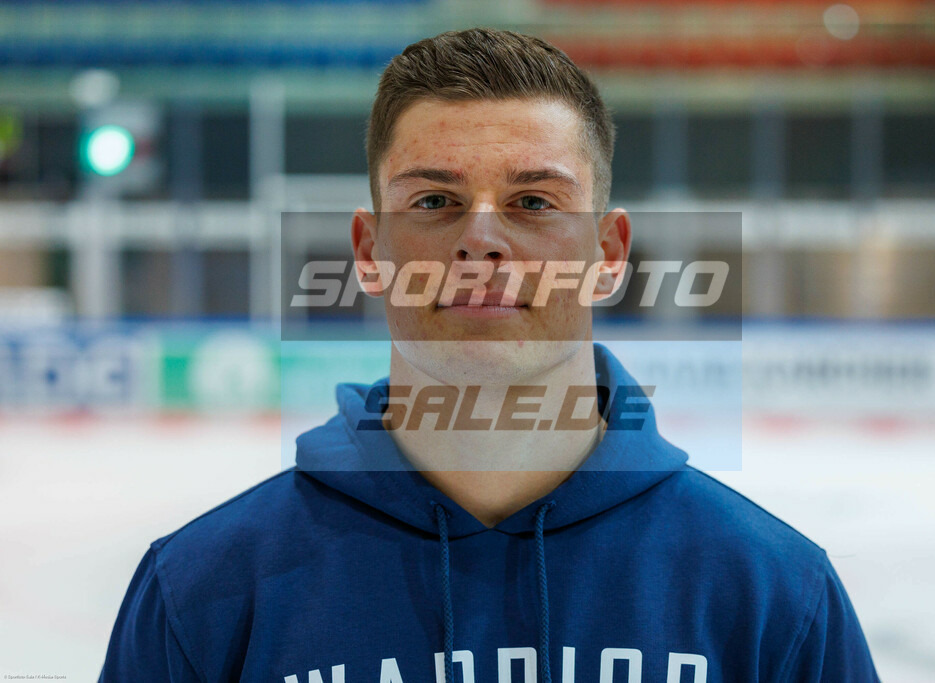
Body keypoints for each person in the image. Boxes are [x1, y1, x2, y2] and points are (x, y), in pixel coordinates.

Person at [100, 28, 879, 682]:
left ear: (609, 252)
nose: (481, 239)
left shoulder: (774, 594)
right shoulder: (202, 589)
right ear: (368, 250)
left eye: (534, 202)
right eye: (433, 201)